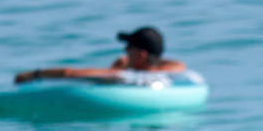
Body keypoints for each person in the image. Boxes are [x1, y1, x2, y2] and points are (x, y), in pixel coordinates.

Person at [14, 27, 186, 84]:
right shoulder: (173, 71)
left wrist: (34, 74)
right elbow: (174, 64)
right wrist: (138, 63)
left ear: (141, 54)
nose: (125, 51)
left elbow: (70, 73)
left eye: (129, 47)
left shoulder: (127, 76)